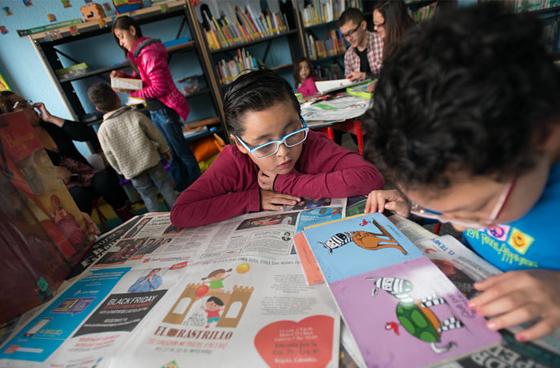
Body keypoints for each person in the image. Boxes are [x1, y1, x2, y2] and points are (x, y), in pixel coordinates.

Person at [363, 3, 560, 341]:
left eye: (476, 210)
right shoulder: (479, 173)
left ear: (544, 135)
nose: (455, 224)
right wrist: (418, 210)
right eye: (441, 210)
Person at [170, 70, 384, 228]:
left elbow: (370, 177)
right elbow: (181, 213)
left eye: (291, 132)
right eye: (264, 144)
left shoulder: (310, 142)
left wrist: (285, 182)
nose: (283, 152)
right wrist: (254, 199)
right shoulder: (234, 162)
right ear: (240, 145)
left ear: (300, 121)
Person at [0, 91, 132, 222]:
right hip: (59, 189)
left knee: (104, 180)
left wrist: (51, 118)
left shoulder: (50, 125)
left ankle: (127, 218)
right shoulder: (17, 144)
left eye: (28, 102)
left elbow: (86, 134)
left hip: (85, 176)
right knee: (78, 195)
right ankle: (87, 233)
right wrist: (52, 174)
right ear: (10, 116)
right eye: (23, 104)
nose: (32, 106)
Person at [111, 15, 200, 191]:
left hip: (164, 110)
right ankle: (183, 191)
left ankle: (199, 188)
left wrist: (132, 91)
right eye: (117, 39)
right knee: (172, 154)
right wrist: (124, 79)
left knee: (182, 153)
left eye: (121, 36)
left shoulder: (148, 52)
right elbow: (147, 82)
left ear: (132, 31)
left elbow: (158, 89)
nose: (120, 42)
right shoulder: (139, 54)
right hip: (157, 110)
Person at [88, 83, 177, 212]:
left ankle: (159, 222)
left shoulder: (103, 130)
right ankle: (179, 211)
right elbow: (155, 134)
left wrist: (120, 170)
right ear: (117, 97)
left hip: (131, 168)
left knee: (147, 196)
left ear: (98, 109)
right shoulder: (136, 115)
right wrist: (164, 149)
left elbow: (109, 155)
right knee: (165, 186)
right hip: (151, 159)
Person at [338, 8, 383, 82]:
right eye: (345, 35)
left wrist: (365, 76)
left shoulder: (382, 42)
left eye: (351, 32)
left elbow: (392, 76)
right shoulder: (348, 56)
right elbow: (350, 84)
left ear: (363, 25)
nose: (349, 39)